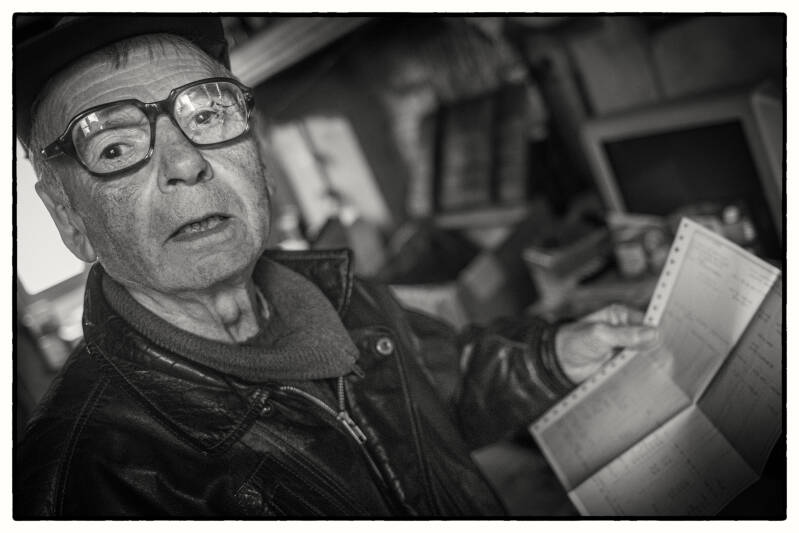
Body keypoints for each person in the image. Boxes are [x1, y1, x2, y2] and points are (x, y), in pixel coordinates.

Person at [14, 15, 659, 518]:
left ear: (256, 156)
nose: (186, 163)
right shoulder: (83, 481)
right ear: (68, 217)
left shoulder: (338, 295)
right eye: (115, 146)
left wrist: (551, 356)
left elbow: (445, 385)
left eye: (207, 115)